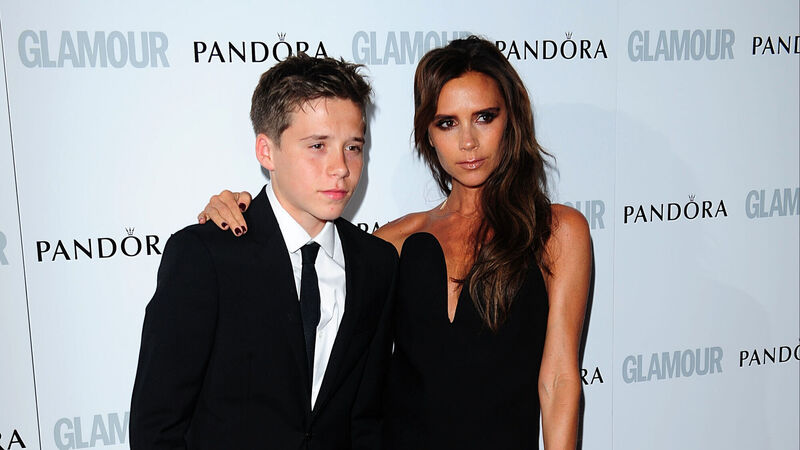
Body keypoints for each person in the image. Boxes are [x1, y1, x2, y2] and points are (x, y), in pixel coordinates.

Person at [200, 36, 591, 449]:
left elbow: (558, 380)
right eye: (447, 123)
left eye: (484, 117)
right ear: (428, 134)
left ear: (511, 120)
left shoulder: (556, 231)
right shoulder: (391, 243)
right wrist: (240, 211)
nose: (468, 142)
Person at [130, 54, 398, 450]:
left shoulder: (377, 264)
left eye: (353, 147)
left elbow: (365, 420)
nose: (341, 167)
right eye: (318, 145)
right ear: (266, 151)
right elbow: (157, 425)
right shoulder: (205, 256)